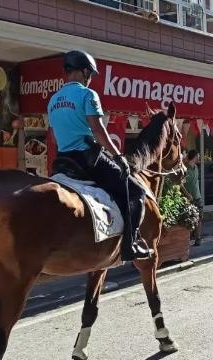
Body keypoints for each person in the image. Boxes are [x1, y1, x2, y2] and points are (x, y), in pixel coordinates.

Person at [47, 50, 153, 261]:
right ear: (84, 72)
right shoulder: (88, 95)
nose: (90, 80)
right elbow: (98, 130)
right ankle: (129, 245)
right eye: (90, 75)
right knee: (135, 191)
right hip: (88, 158)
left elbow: (53, 136)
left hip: (62, 160)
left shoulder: (53, 100)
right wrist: (118, 156)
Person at [180, 149, 203, 246]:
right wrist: (187, 194)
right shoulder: (185, 169)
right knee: (188, 220)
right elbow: (180, 183)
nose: (199, 157)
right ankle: (187, 241)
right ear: (194, 157)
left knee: (199, 219)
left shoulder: (196, 168)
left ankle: (198, 239)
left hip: (198, 197)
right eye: (198, 156)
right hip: (189, 199)